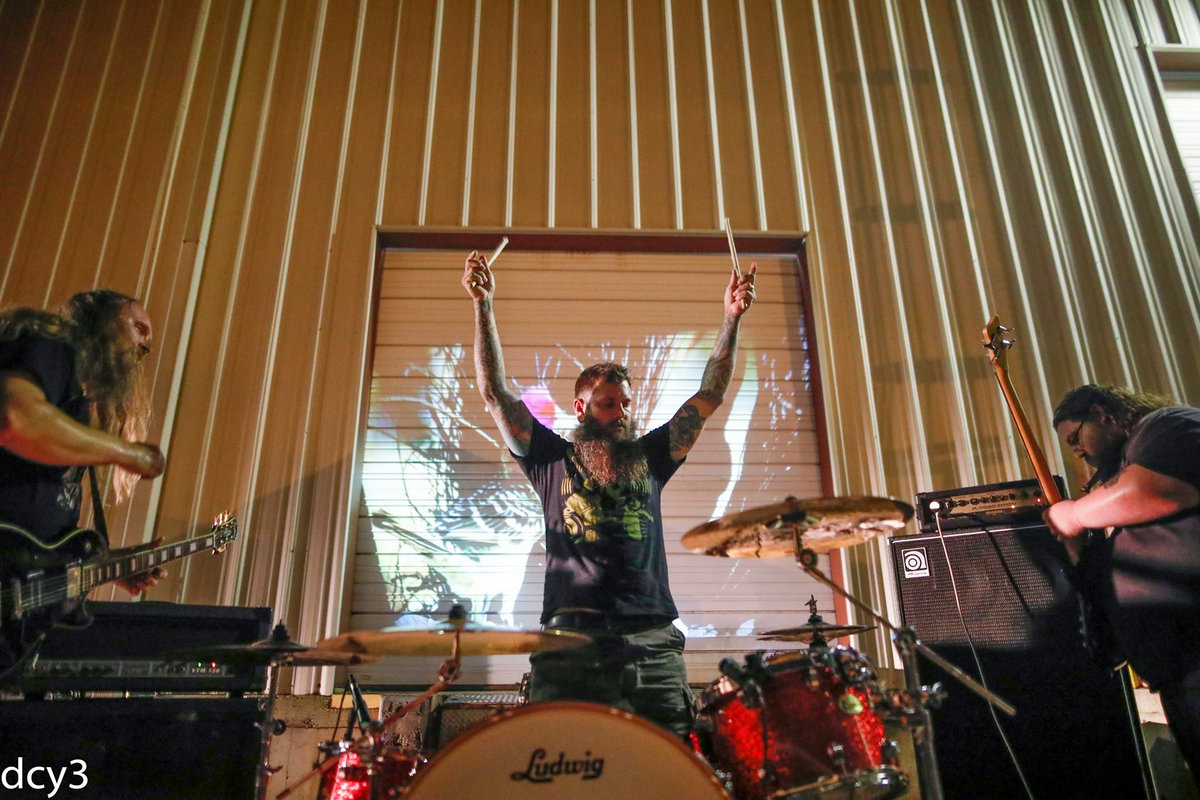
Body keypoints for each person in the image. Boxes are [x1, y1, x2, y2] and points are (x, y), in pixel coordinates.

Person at [462, 249, 756, 738]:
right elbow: (494, 392)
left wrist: (731, 318)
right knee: (562, 763)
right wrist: (483, 304)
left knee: (669, 762)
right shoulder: (550, 459)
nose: (620, 412)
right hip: (570, 643)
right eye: (607, 403)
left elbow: (710, 395)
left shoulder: (651, 456)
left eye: (625, 403)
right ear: (581, 407)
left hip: (652, 642)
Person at [0, 290, 167, 671]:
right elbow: (16, 418)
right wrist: (129, 453)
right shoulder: (50, 343)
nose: (145, 339)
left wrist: (104, 563)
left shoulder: (75, 404)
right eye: (137, 323)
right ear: (98, 317)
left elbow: (36, 533)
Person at [1045, 384, 1200, 782]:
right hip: (1177, 675)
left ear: (1102, 414)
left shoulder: (1167, 425)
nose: (1076, 451)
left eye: (1076, 437)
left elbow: (1154, 490)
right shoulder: (1119, 472)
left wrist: (1074, 514)